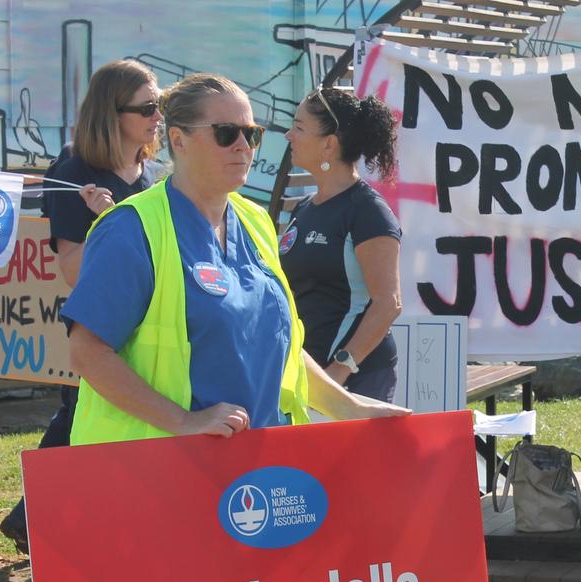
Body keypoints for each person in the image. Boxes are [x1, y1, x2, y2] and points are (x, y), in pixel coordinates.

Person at [64, 73, 407, 446]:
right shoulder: (131, 229)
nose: (244, 146)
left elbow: (285, 348)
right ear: (178, 140)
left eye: (252, 134)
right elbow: (87, 353)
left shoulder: (255, 221)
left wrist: (349, 407)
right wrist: (184, 420)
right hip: (162, 471)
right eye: (227, 133)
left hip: (258, 465)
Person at [0, 59, 164, 553]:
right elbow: (71, 266)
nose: (160, 117)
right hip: (100, 323)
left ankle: (31, 517)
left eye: (162, 105)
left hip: (147, 321)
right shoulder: (75, 173)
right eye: (149, 108)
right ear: (113, 114)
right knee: (80, 419)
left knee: (79, 418)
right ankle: (37, 518)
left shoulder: (148, 171)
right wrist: (109, 223)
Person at [280, 88, 402, 401]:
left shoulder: (367, 211)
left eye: (299, 127)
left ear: (329, 144)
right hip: (308, 375)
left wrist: (339, 369)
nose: (288, 135)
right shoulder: (306, 207)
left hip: (353, 381)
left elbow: (388, 303)